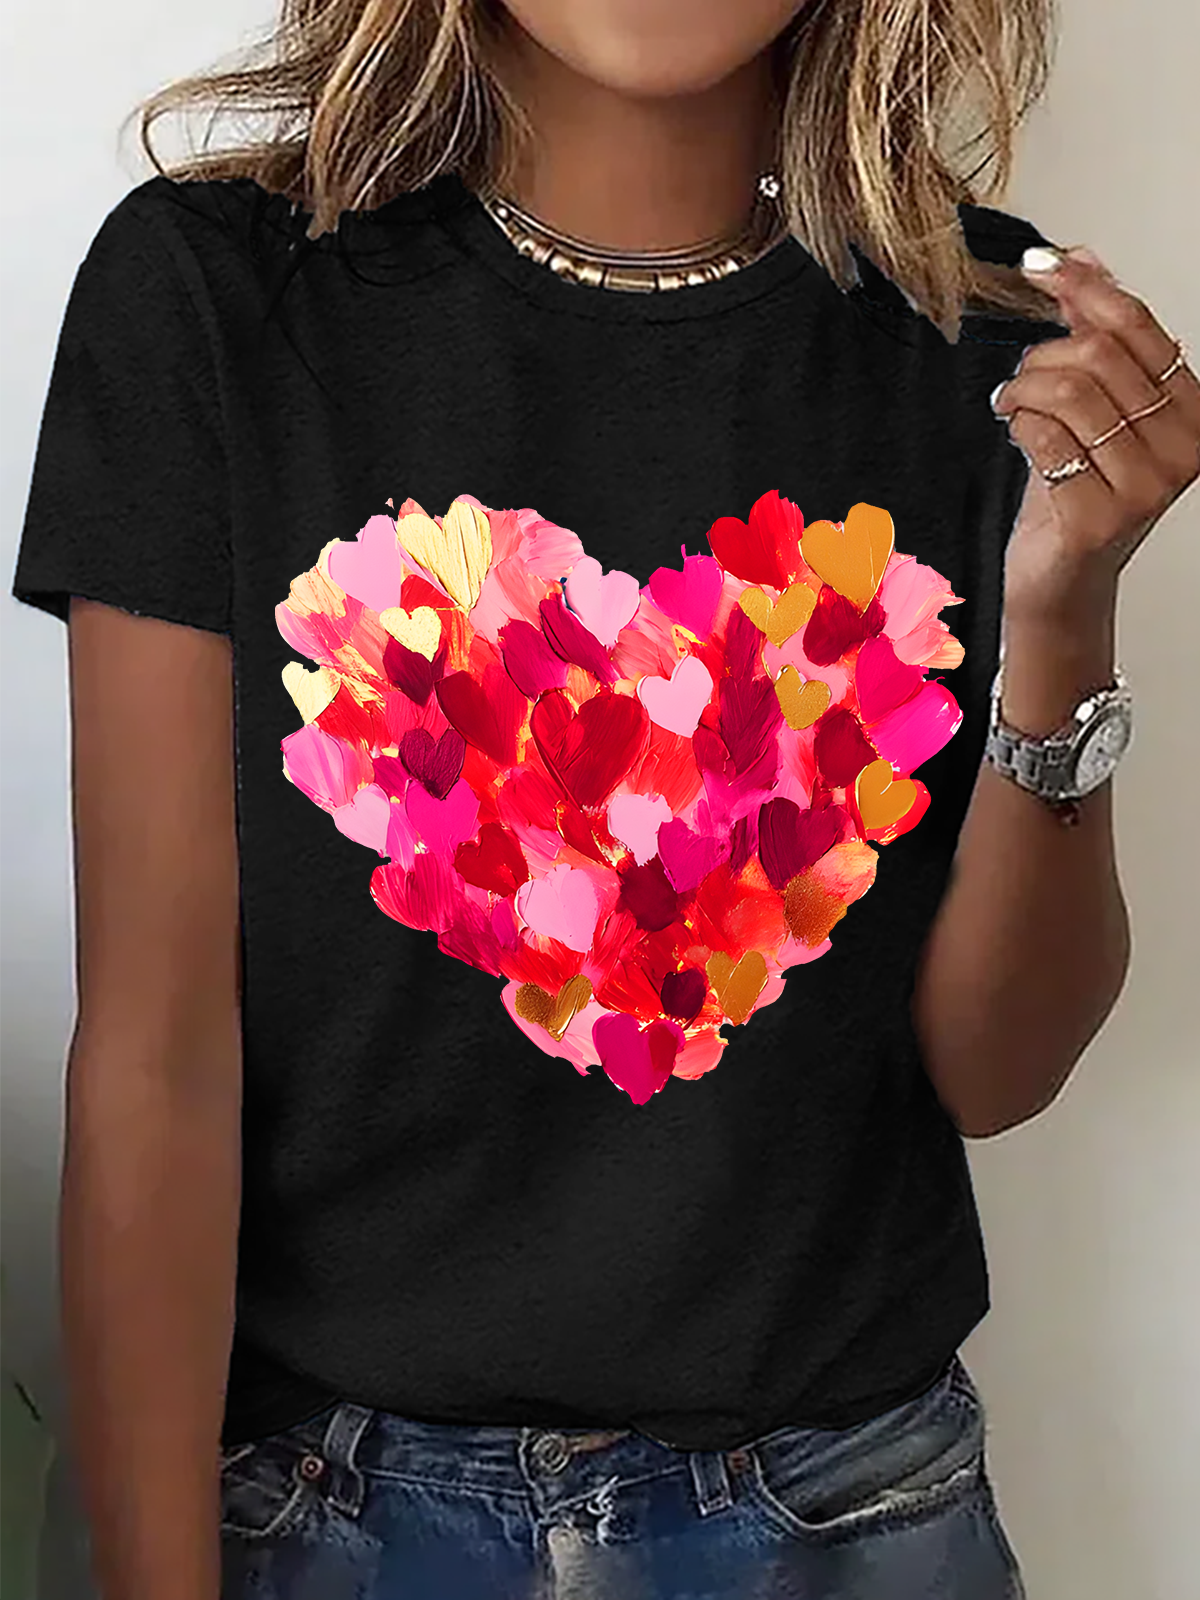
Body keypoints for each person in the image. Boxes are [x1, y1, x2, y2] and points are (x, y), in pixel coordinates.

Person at [10, 0, 1199, 1596]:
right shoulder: (216, 293)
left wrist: (1063, 608)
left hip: (853, 1511)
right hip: (330, 1516)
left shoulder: (987, 339)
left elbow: (996, 1071)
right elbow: (155, 1061)